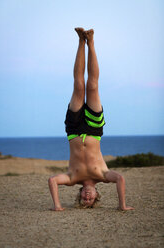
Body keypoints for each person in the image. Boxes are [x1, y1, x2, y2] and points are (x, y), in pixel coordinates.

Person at [48, 27, 134, 211]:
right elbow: (120, 178)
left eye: (84, 199)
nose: (87, 197)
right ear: (96, 196)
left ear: (79, 194)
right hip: (94, 131)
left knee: (79, 85)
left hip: (73, 130)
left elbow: (52, 180)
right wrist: (122, 205)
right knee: (93, 86)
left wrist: (57, 205)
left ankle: (81, 41)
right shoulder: (103, 175)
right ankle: (91, 42)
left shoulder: (72, 178)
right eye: (90, 199)